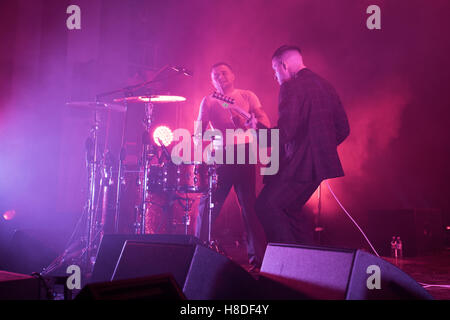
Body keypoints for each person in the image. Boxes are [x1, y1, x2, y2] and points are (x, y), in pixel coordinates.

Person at [255, 45, 350, 246]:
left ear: (284, 65)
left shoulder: (290, 86)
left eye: (275, 70)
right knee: (290, 209)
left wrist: (258, 132)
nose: (275, 76)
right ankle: (306, 264)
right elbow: (343, 128)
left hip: (299, 166)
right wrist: (320, 149)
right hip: (319, 166)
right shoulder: (326, 86)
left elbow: (286, 132)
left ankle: (286, 266)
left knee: (267, 206)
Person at [194, 62, 270, 269]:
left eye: (224, 72)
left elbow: (265, 122)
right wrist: (199, 157)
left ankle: (259, 261)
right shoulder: (208, 100)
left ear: (233, 75)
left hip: (246, 152)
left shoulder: (247, 96)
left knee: (249, 207)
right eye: (215, 75)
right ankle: (197, 254)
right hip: (221, 154)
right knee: (209, 204)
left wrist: (250, 122)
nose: (220, 77)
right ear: (212, 81)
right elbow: (199, 130)